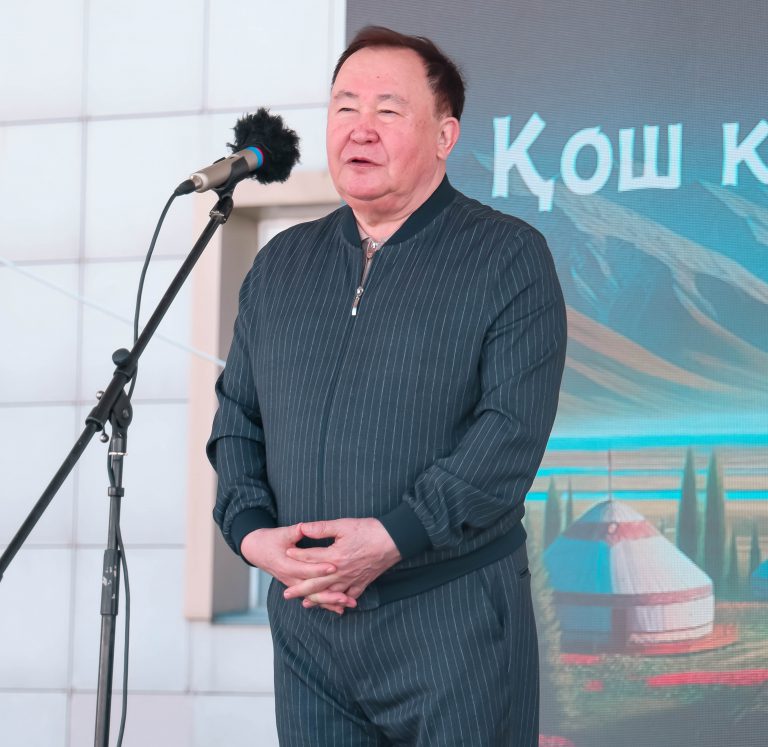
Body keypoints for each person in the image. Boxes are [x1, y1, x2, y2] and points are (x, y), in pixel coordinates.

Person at [207, 25, 566, 746]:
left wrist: (393, 536)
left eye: (387, 110)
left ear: (445, 135)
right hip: (310, 630)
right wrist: (252, 536)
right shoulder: (282, 266)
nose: (359, 128)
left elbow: (508, 435)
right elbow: (238, 420)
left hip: (450, 621)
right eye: (344, 107)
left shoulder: (507, 257)